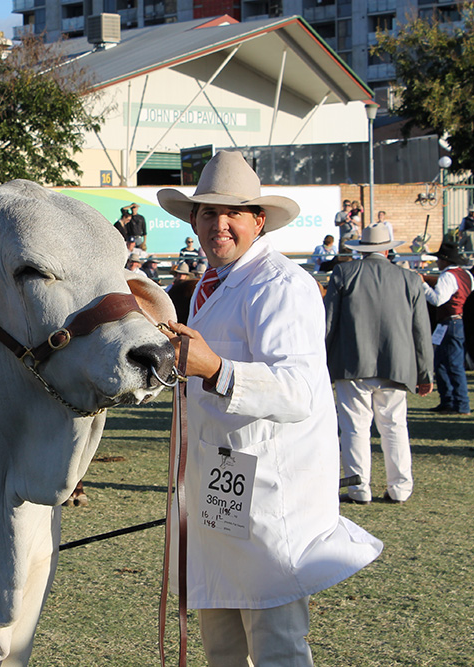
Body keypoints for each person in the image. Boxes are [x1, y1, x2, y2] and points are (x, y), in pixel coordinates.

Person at [156, 150, 382, 666]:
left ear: (258, 220)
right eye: (208, 212)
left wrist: (216, 369)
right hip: (221, 491)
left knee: (276, 644)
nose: (220, 224)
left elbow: (300, 390)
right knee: (223, 645)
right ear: (194, 221)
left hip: (267, 495)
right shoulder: (210, 288)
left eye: (234, 212)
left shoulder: (281, 286)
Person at [324, 225, 434, 505]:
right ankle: (400, 488)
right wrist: (425, 372)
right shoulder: (410, 279)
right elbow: (421, 330)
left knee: (353, 428)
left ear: (362, 249)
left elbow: (328, 324)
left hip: (352, 364)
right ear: (388, 249)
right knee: (395, 426)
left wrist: (321, 363)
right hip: (397, 365)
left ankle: (359, 488)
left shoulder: (343, 274)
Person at [423, 240, 474, 415]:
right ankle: (448, 401)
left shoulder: (447, 276)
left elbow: (438, 300)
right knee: (442, 363)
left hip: (451, 321)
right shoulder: (466, 275)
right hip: (459, 321)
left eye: (439, 259)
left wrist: (422, 284)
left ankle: (461, 404)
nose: (437, 262)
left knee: (452, 363)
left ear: (445, 260)